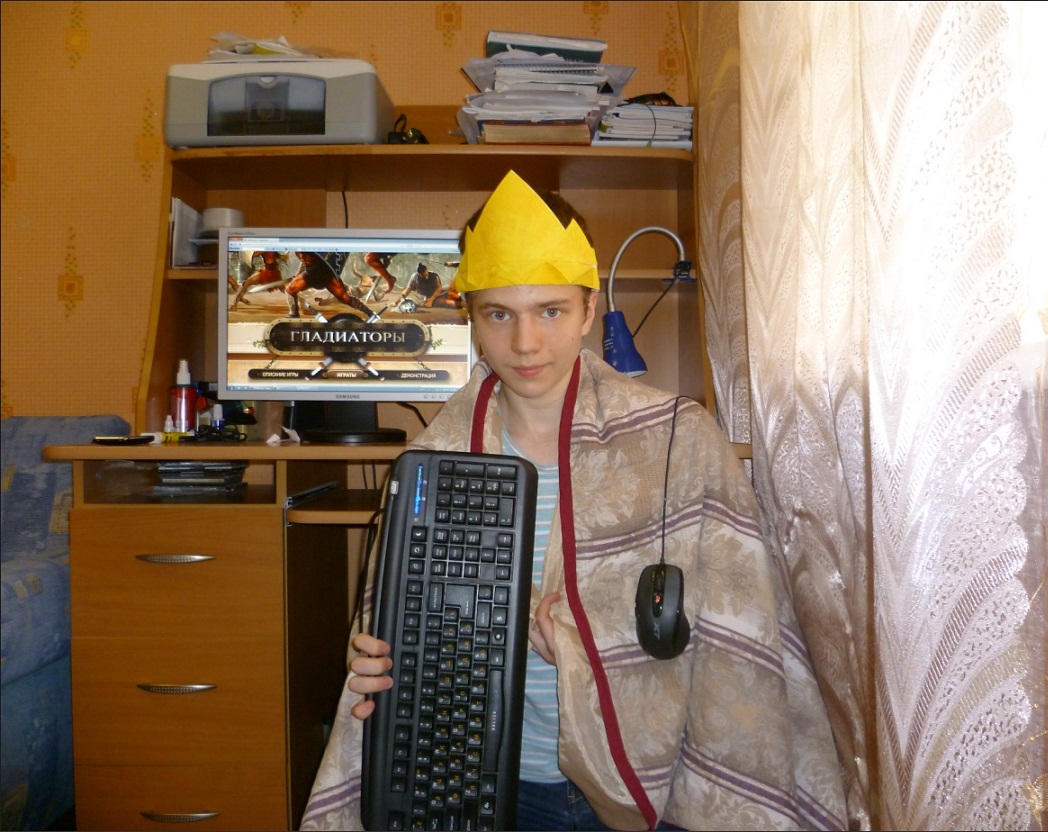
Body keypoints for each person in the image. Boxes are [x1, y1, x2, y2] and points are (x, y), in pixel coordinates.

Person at [300, 171, 847, 831]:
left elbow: (740, 633)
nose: (525, 343)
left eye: (551, 311)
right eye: (498, 314)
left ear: (590, 311)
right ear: (471, 319)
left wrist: (580, 643)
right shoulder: (432, 464)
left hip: (648, 790)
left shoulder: (679, 441)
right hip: (485, 786)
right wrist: (384, 663)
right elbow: (394, 637)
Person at [285, 250, 380, 319]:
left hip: (327, 274)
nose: (303, 258)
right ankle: (294, 313)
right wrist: (297, 275)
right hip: (311, 273)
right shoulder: (299, 251)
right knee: (290, 289)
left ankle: (369, 312)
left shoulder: (319, 251)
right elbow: (304, 264)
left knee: (345, 298)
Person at [393, 261, 463, 309]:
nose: (425, 276)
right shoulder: (415, 277)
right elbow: (408, 290)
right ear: (419, 274)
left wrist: (431, 300)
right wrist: (397, 301)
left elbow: (439, 288)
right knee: (452, 304)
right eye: (422, 275)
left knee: (455, 292)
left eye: (425, 274)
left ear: (426, 270)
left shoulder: (434, 275)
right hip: (429, 297)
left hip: (439, 293)